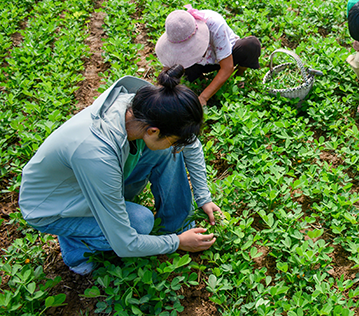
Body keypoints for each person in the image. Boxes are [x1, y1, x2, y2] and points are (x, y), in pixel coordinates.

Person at [19, 66, 221, 275]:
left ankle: (176, 224)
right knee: (140, 223)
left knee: (168, 152)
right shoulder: (96, 153)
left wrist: (203, 198)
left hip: (90, 178)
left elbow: (190, 144)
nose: (177, 146)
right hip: (53, 205)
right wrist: (176, 243)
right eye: (174, 140)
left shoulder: (149, 105)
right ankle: (76, 247)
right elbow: (125, 243)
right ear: (153, 131)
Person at [156, 5, 261, 107]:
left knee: (251, 46)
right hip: (198, 64)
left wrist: (203, 97)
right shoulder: (176, 35)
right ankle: (200, 78)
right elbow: (168, 70)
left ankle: (239, 75)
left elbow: (227, 67)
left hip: (225, 58)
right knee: (183, 79)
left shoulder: (214, 24)